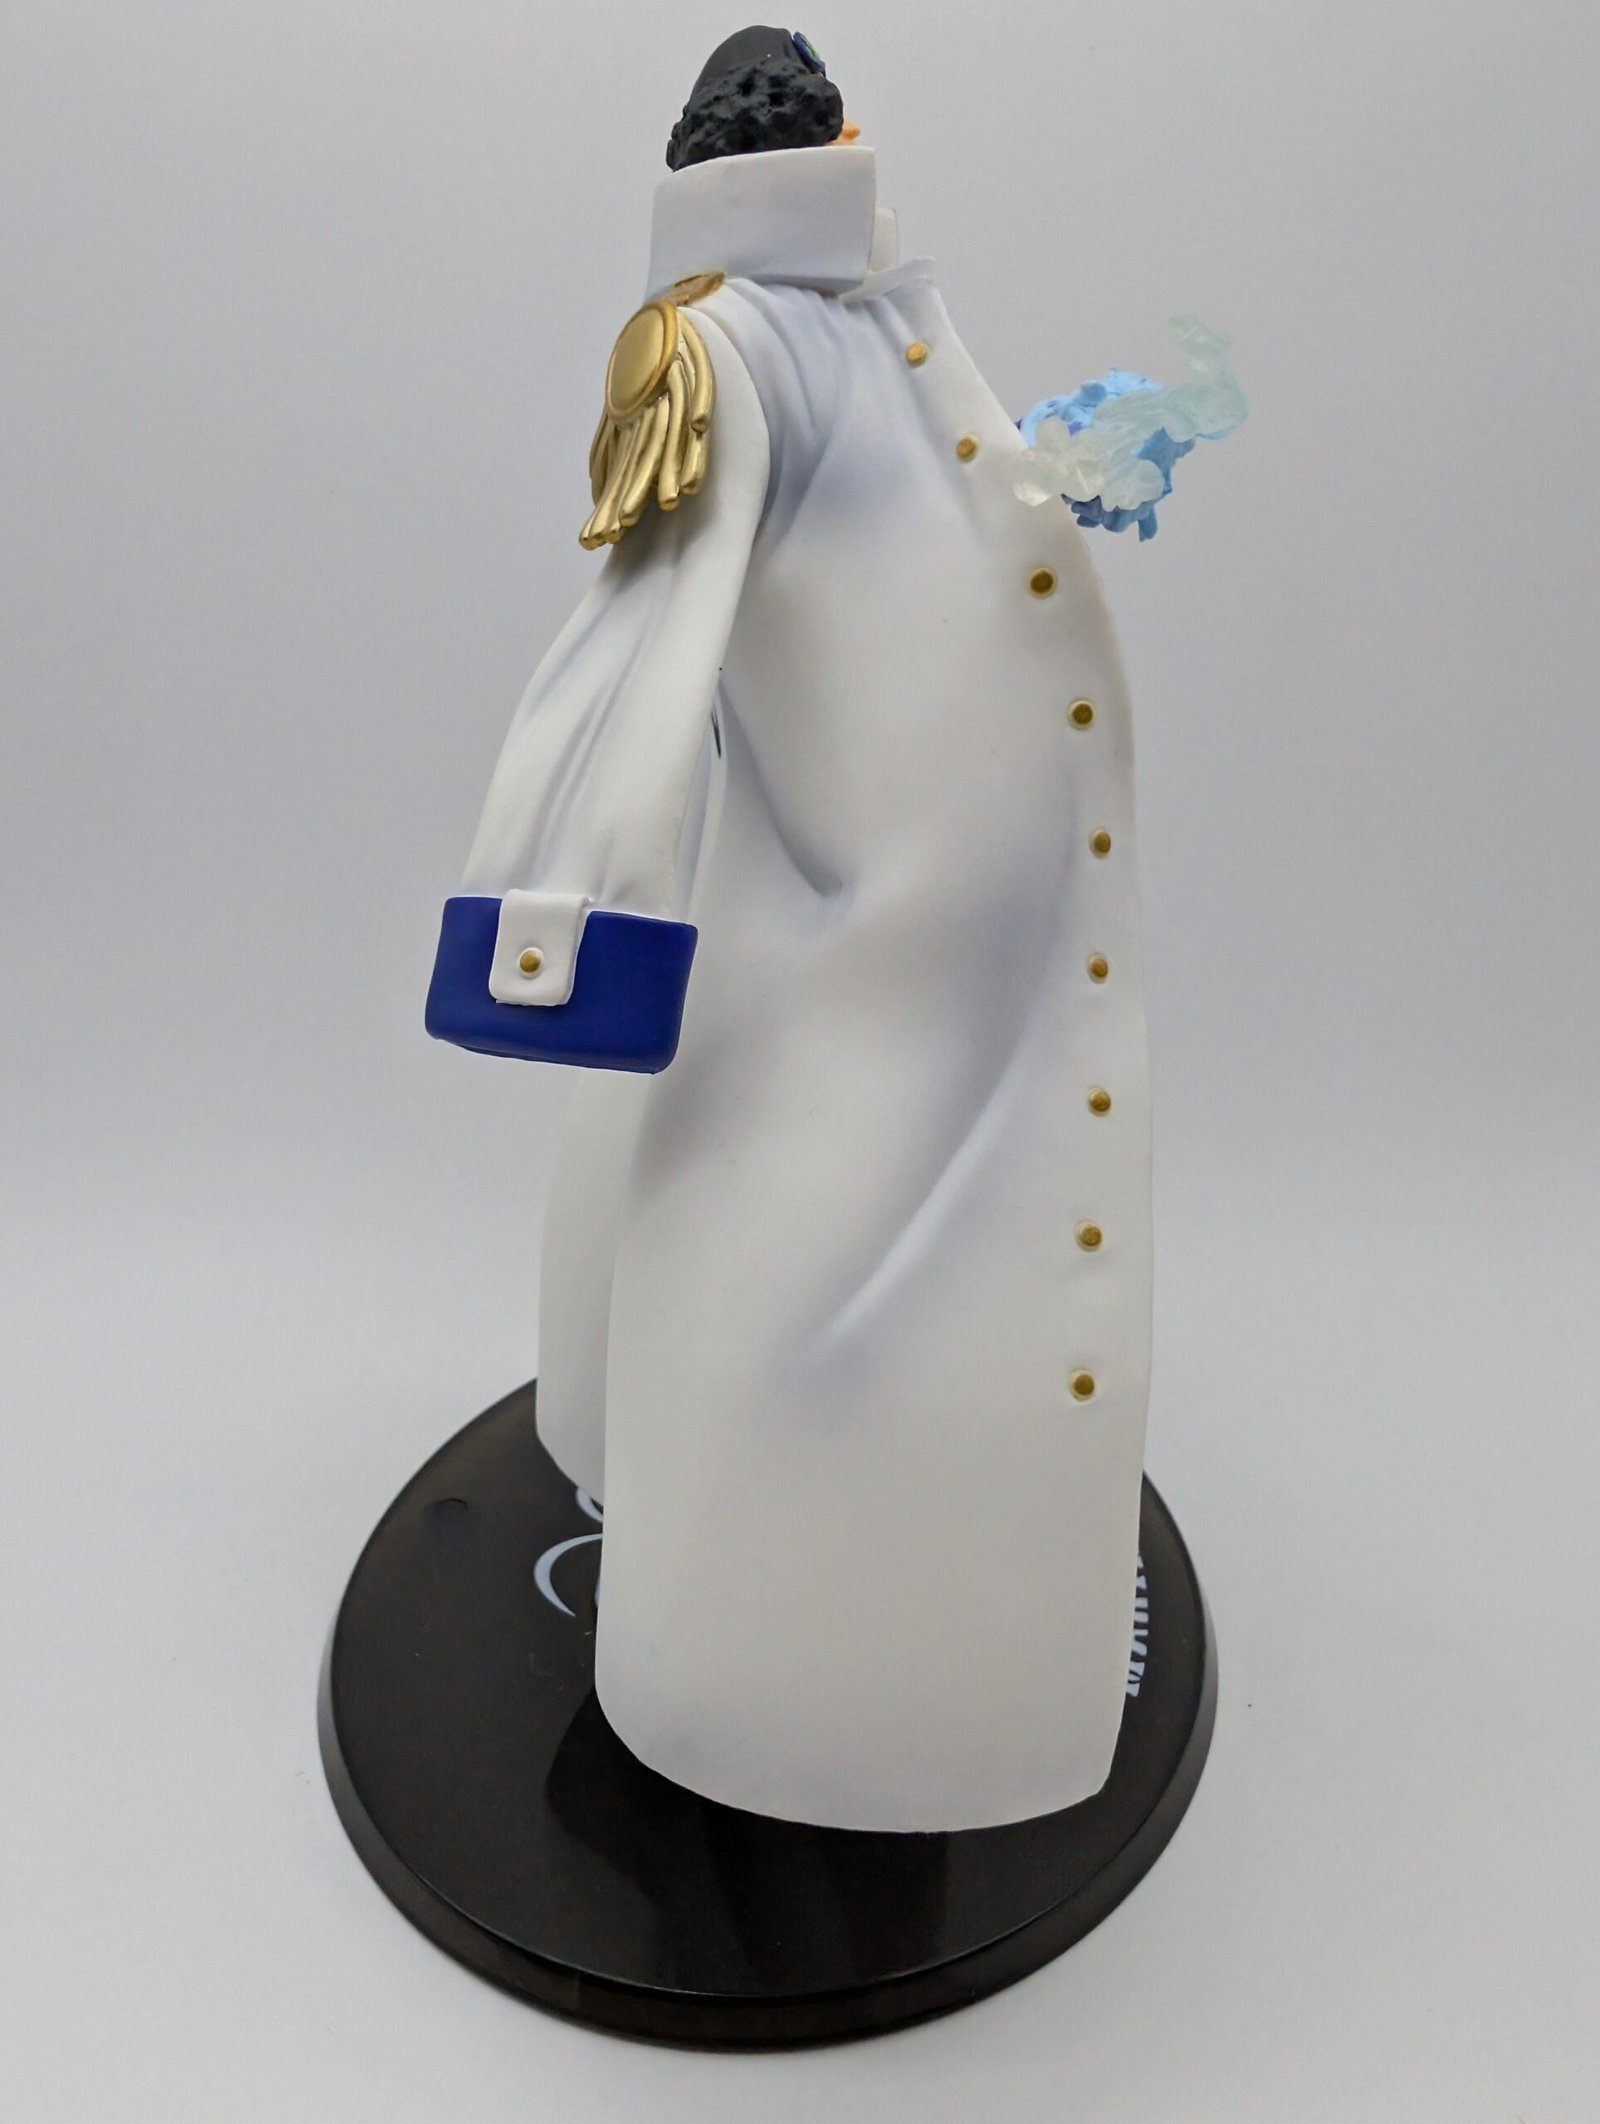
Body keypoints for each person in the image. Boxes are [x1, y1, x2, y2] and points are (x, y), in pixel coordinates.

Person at [426, 28, 1155, 1834]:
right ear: (821, 137)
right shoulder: (729, 341)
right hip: (866, 939)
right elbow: (642, 632)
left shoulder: (868, 311)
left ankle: (881, 1660)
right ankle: (780, 1686)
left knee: (861, 1295)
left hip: (926, 919)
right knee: (802, 1285)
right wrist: (555, 914)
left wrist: (1046, 481)